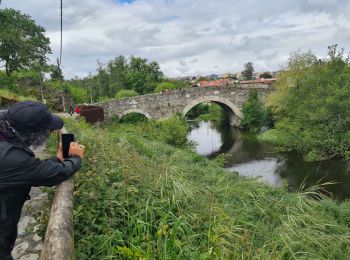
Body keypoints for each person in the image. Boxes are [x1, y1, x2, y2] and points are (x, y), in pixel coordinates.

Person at [0, 101, 85, 260]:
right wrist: (76, 157)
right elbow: (51, 174)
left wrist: (57, 159)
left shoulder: (6, 140)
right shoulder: (10, 157)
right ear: (32, 133)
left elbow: (31, 169)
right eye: (47, 130)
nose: (50, 132)